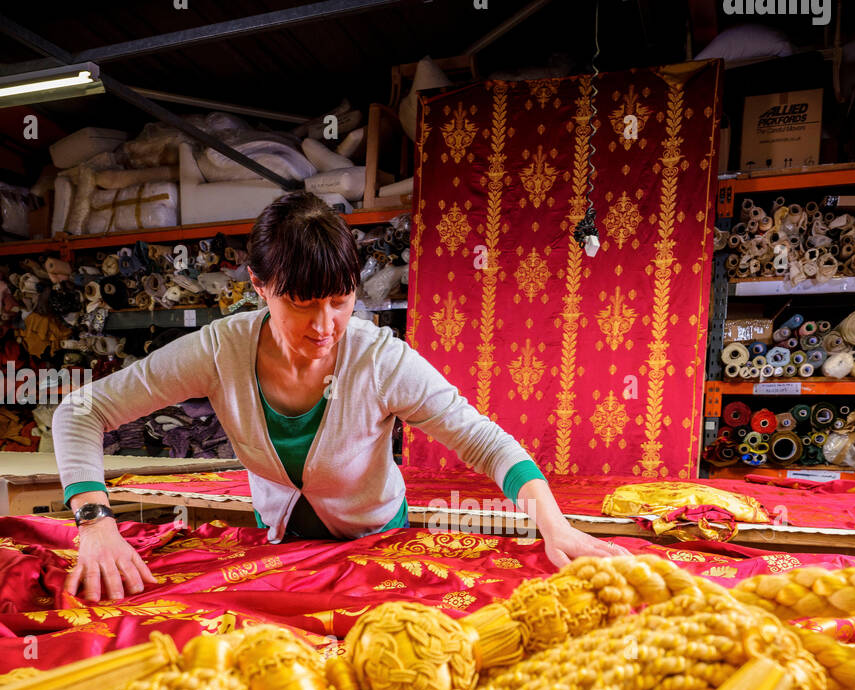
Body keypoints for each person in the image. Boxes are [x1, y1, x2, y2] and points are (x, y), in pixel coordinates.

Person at [53, 191, 628, 601]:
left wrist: (557, 528)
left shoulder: (378, 360)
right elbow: (82, 411)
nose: (325, 325)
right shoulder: (219, 351)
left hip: (376, 544)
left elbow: (484, 442)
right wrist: (96, 520)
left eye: (340, 299)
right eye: (301, 302)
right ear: (258, 284)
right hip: (278, 543)